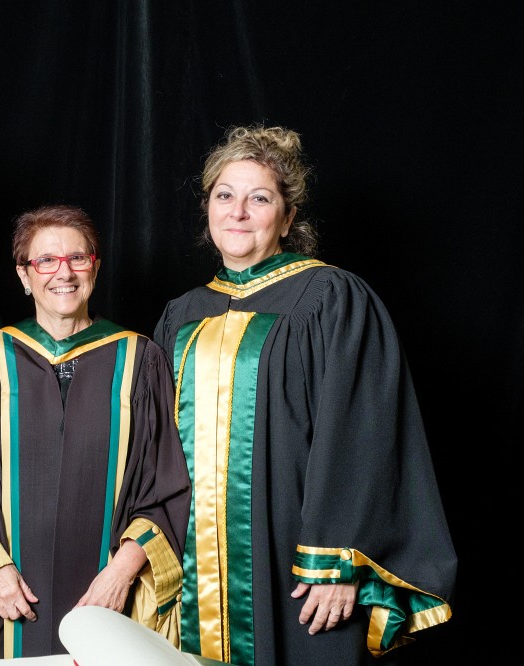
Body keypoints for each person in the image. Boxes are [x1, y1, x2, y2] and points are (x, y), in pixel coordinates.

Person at [153, 125, 457, 666]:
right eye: (224, 195)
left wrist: (338, 561)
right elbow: (151, 445)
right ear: (208, 210)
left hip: (294, 568)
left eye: (259, 198)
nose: (238, 212)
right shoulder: (182, 313)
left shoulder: (330, 297)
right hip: (194, 570)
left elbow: (363, 433)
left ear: (288, 218)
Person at [0, 204, 192, 660]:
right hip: (12, 604)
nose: (65, 273)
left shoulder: (140, 360)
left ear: (95, 267)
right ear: (24, 275)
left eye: (78, 258)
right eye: (46, 261)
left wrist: (121, 576)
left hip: (112, 600)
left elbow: (166, 491)